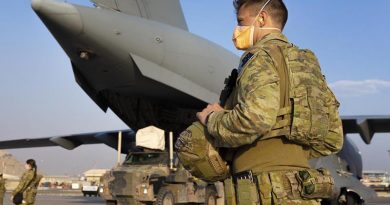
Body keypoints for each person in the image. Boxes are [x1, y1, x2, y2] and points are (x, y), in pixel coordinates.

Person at [196, 0, 342, 204]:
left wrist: (212, 118)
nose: (236, 31)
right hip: (302, 191)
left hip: (263, 191)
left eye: (241, 21)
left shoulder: (259, 58)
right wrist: (290, 153)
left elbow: (254, 120)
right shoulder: (307, 64)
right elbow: (333, 137)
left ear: (262, 19)